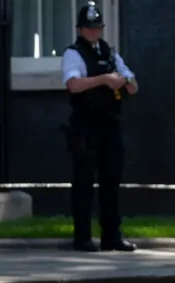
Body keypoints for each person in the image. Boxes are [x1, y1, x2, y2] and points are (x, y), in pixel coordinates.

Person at [60, 1, 138, 252]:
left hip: (110, 124)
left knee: (111, 181)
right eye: (89, 28)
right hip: (85, 126)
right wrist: (105, 79)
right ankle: (82, 237)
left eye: (97, 28)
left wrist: (122, 79)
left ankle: (111, 236)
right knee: (83, 183)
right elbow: (73, 84)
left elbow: (133, 84)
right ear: (80, 29)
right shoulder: (73, 53)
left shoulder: (110, 52)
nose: (94, 32)